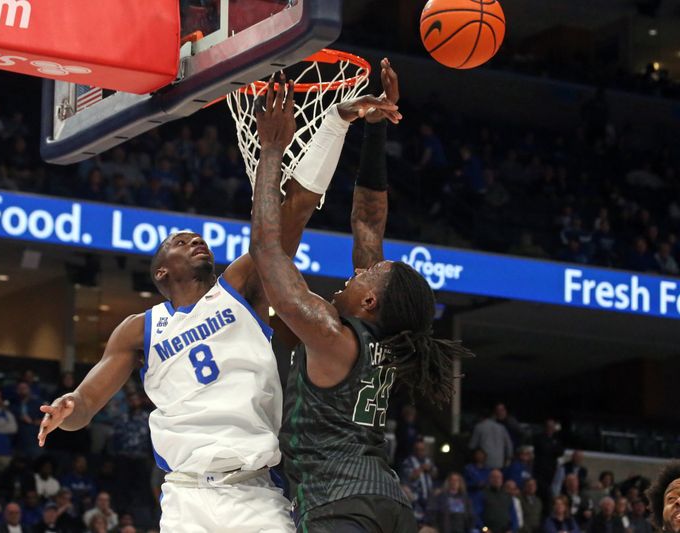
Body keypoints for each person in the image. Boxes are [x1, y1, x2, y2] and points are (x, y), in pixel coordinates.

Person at [37, 74, 400, 533]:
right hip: (186, 495)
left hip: (253, 491)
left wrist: (335, 124)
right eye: (178, 240)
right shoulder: (138, 329)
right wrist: (68, 408)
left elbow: (296, 208)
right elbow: (87, 402)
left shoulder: (239, 288)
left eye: (196, 237)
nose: (193, 239)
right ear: (161, 273)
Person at [250, 62, 469, 532]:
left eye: (369, 274)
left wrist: (272, 152)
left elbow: (268, 252)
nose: (361, 270)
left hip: (339, 504)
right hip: (388, 502)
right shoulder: (384, 340)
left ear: (370, 302)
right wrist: (375, 128)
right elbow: (368, 221)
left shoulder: (332, 334)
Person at [400, 440, 438, 522]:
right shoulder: (408, 461)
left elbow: (435, 474)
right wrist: (421, 468)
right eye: (418, 449)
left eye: (422, 449)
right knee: (415, 521)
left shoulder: (428, 460)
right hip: (415, 498)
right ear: (414, 450)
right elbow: (409, 477)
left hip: (428, 497)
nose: (420, 452)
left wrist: (430, 469)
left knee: (428, 521)